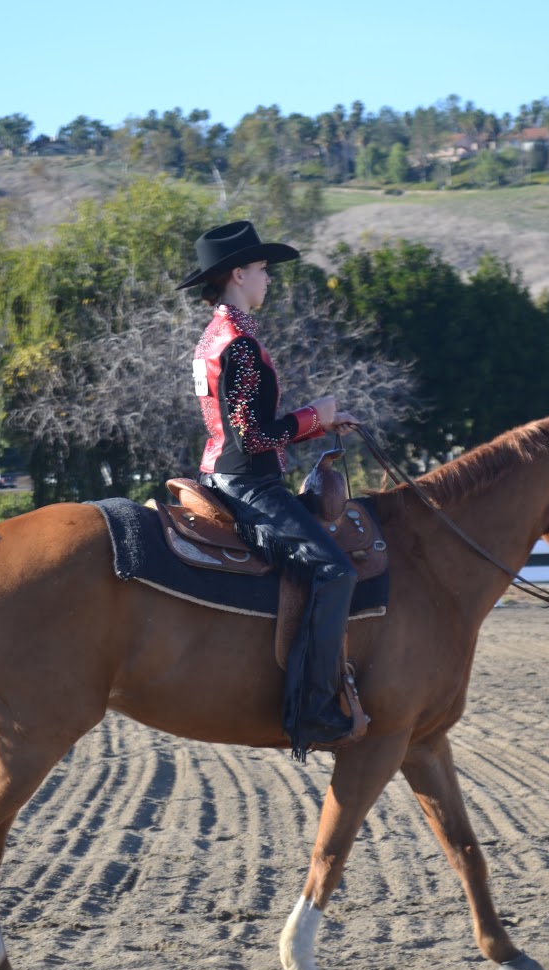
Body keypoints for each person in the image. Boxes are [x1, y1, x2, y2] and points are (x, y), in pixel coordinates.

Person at [176, 220, 366, 759]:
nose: (268, 279)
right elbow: (254, 435)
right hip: (248, 484)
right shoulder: (239, 344)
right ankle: (314, 708)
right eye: (262, 269)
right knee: (335, 571)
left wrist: (320, 422)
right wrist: (314, 416)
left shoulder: (219, 336)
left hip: (224, 473)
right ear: (238, 274)